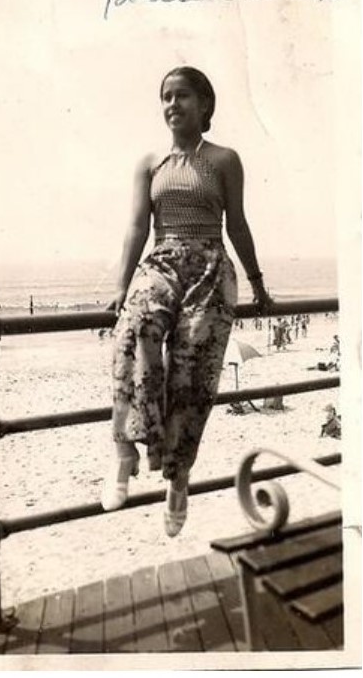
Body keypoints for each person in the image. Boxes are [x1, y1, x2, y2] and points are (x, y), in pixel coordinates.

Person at [101, 66, 273, 537]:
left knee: (192, 371)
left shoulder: (223, 159)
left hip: (211, 268)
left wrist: (257, 282)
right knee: (134, 330)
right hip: (162, 258)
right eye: (165, 97)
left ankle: (178, 478)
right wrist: (121, 285)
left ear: (205, 105)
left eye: (182, 96)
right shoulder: (149, 162)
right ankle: (124, 453)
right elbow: (137, 226)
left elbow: (236, 224)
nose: (172, 105)